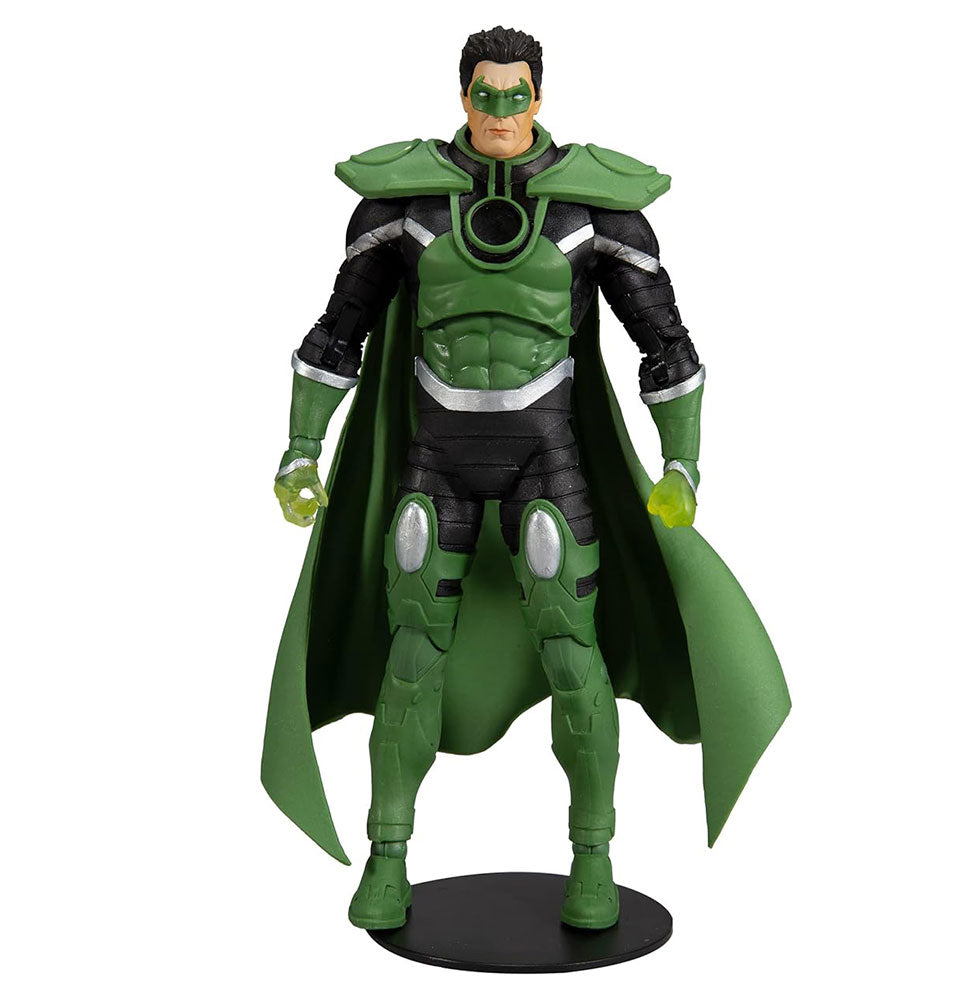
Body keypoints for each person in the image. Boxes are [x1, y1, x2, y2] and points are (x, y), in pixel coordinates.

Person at [264, 25, 790, 932]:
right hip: (436, 456)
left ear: (538, 97)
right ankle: (388, 857)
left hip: (548, 458)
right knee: (411, 655)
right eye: (486, 95)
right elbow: (336, 334)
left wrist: (683, 463)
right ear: (463, 96)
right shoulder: (404, 204)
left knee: (573, 652)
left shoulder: (595, 209)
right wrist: (300, 448)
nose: (501, 113)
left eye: (516, 96)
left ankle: (594, 859)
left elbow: (666, 345)